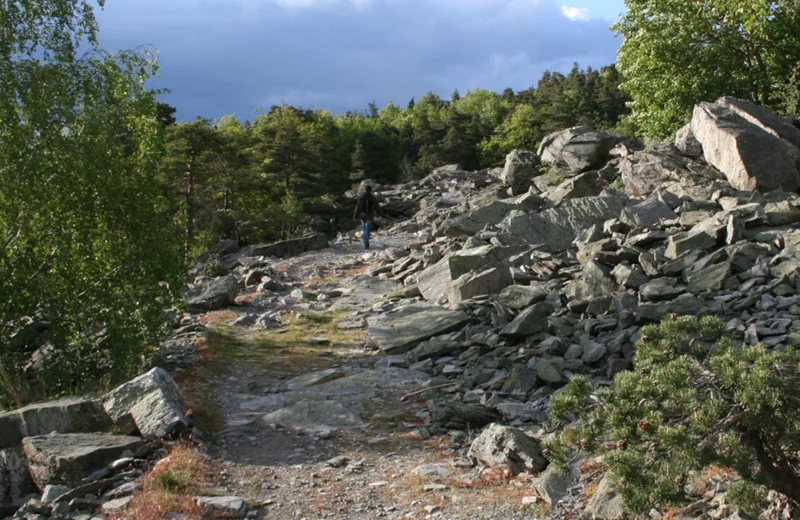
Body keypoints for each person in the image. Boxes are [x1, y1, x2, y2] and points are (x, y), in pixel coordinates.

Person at [353, 185, 383, 249]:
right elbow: (377, 208)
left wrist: (355, 216)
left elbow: (358, 207)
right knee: (367, 230)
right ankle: (366, 244)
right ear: (370, 190)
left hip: (362, 216)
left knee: (364, 229)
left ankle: (365, 243)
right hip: (369, 216)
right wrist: (381, 214)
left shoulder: (361, 198)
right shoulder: (372, 198)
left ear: (365, 190)